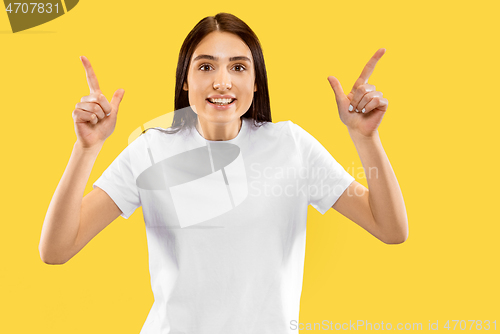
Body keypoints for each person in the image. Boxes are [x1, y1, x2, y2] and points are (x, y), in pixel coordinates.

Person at [39, 12, 408, 334]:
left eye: (238, 67)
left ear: (256, 81)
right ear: (185, 80)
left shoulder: (291, 146)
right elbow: (56, 249)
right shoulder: (152, 150)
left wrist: (366, 139)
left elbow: (390, 229)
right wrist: (86, 149)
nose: (222, 82)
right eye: (205, 66)